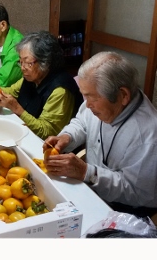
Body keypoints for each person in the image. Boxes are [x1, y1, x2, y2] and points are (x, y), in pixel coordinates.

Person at [43, 51, 157, 218]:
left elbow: (138, 193)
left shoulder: (147, 135)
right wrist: (66, 137)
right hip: (92, 191)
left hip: (127, 213)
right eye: (84, 96)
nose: (87, 104)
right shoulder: (99, 104)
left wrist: (87, 172)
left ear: (123, 95)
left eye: (92, 97)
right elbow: (81, 122)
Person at [0, 31, 83, 140]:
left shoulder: (60, 90)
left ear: (45, 62)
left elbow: (47, 132)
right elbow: (11, 91)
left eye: (28, 63)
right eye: (20, 62)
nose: (22, 67)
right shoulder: (31, 77)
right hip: (28, 136)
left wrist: (17, 109)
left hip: (51, 149)